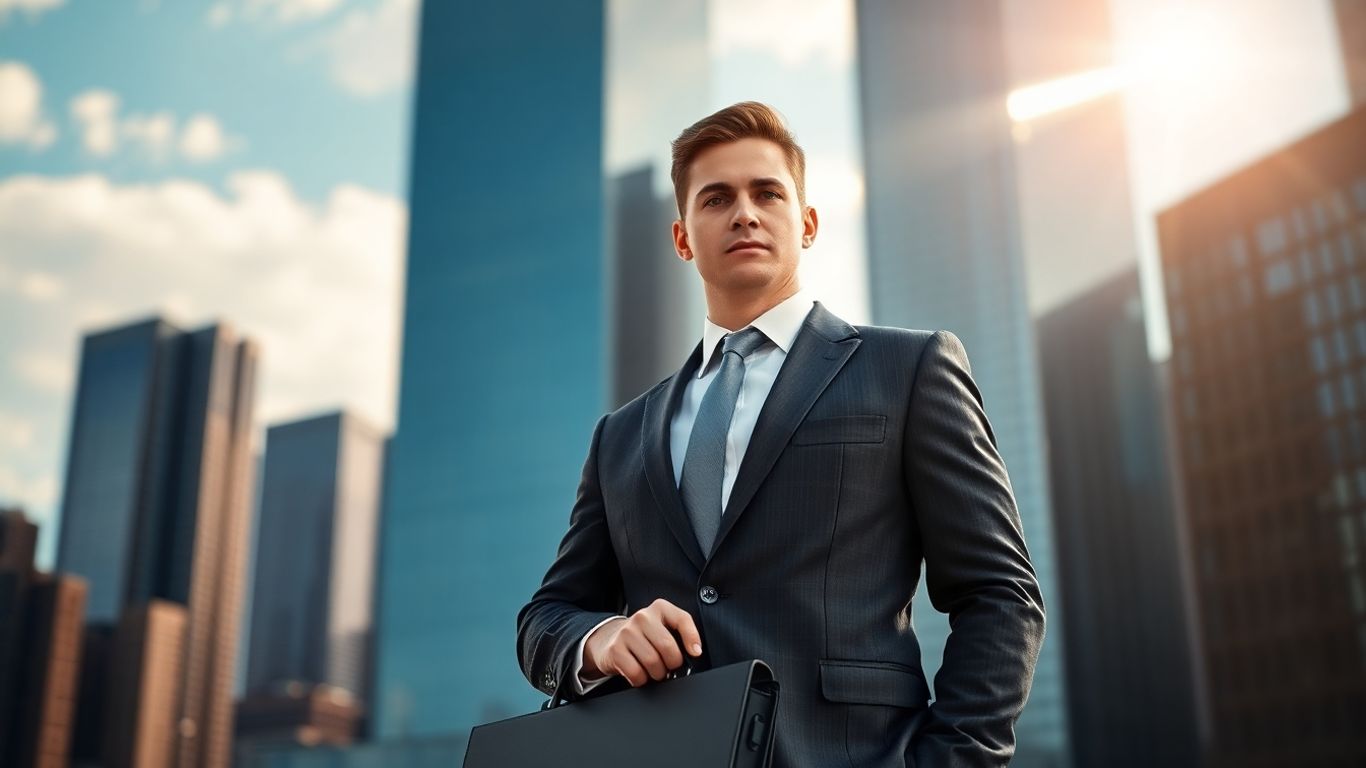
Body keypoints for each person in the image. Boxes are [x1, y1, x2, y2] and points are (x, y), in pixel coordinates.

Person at [516, 101, 1045, 767]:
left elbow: (1000, 594)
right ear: (682, 238)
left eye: (767, 193)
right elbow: (547, 616)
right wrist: (602, 639)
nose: (745, 212)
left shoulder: (909, 370)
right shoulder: (621, 435)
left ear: (808, 224)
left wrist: (952, 760)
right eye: (716, 199)